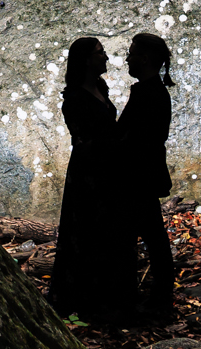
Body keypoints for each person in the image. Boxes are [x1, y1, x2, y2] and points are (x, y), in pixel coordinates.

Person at [48, 36, 135, 321]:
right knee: (87, 232)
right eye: (100, 53)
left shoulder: (100, 87)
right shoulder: (74, 98)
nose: (106, 57)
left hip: (109, 170)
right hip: (90, 174)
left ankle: (108, 296)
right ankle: (86, 300)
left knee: (108, 232)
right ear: (86, 59)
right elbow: (84, 141)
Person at [119, 32, 176, 320]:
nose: (126, 58)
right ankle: (158, 295)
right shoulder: (151, 90)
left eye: (131, 52)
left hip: (138, 177)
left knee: (149, 236)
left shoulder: (149, 93)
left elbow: (136, 139)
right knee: (153, 235)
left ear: (143, 58)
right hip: (142, 175)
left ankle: (159, 298)